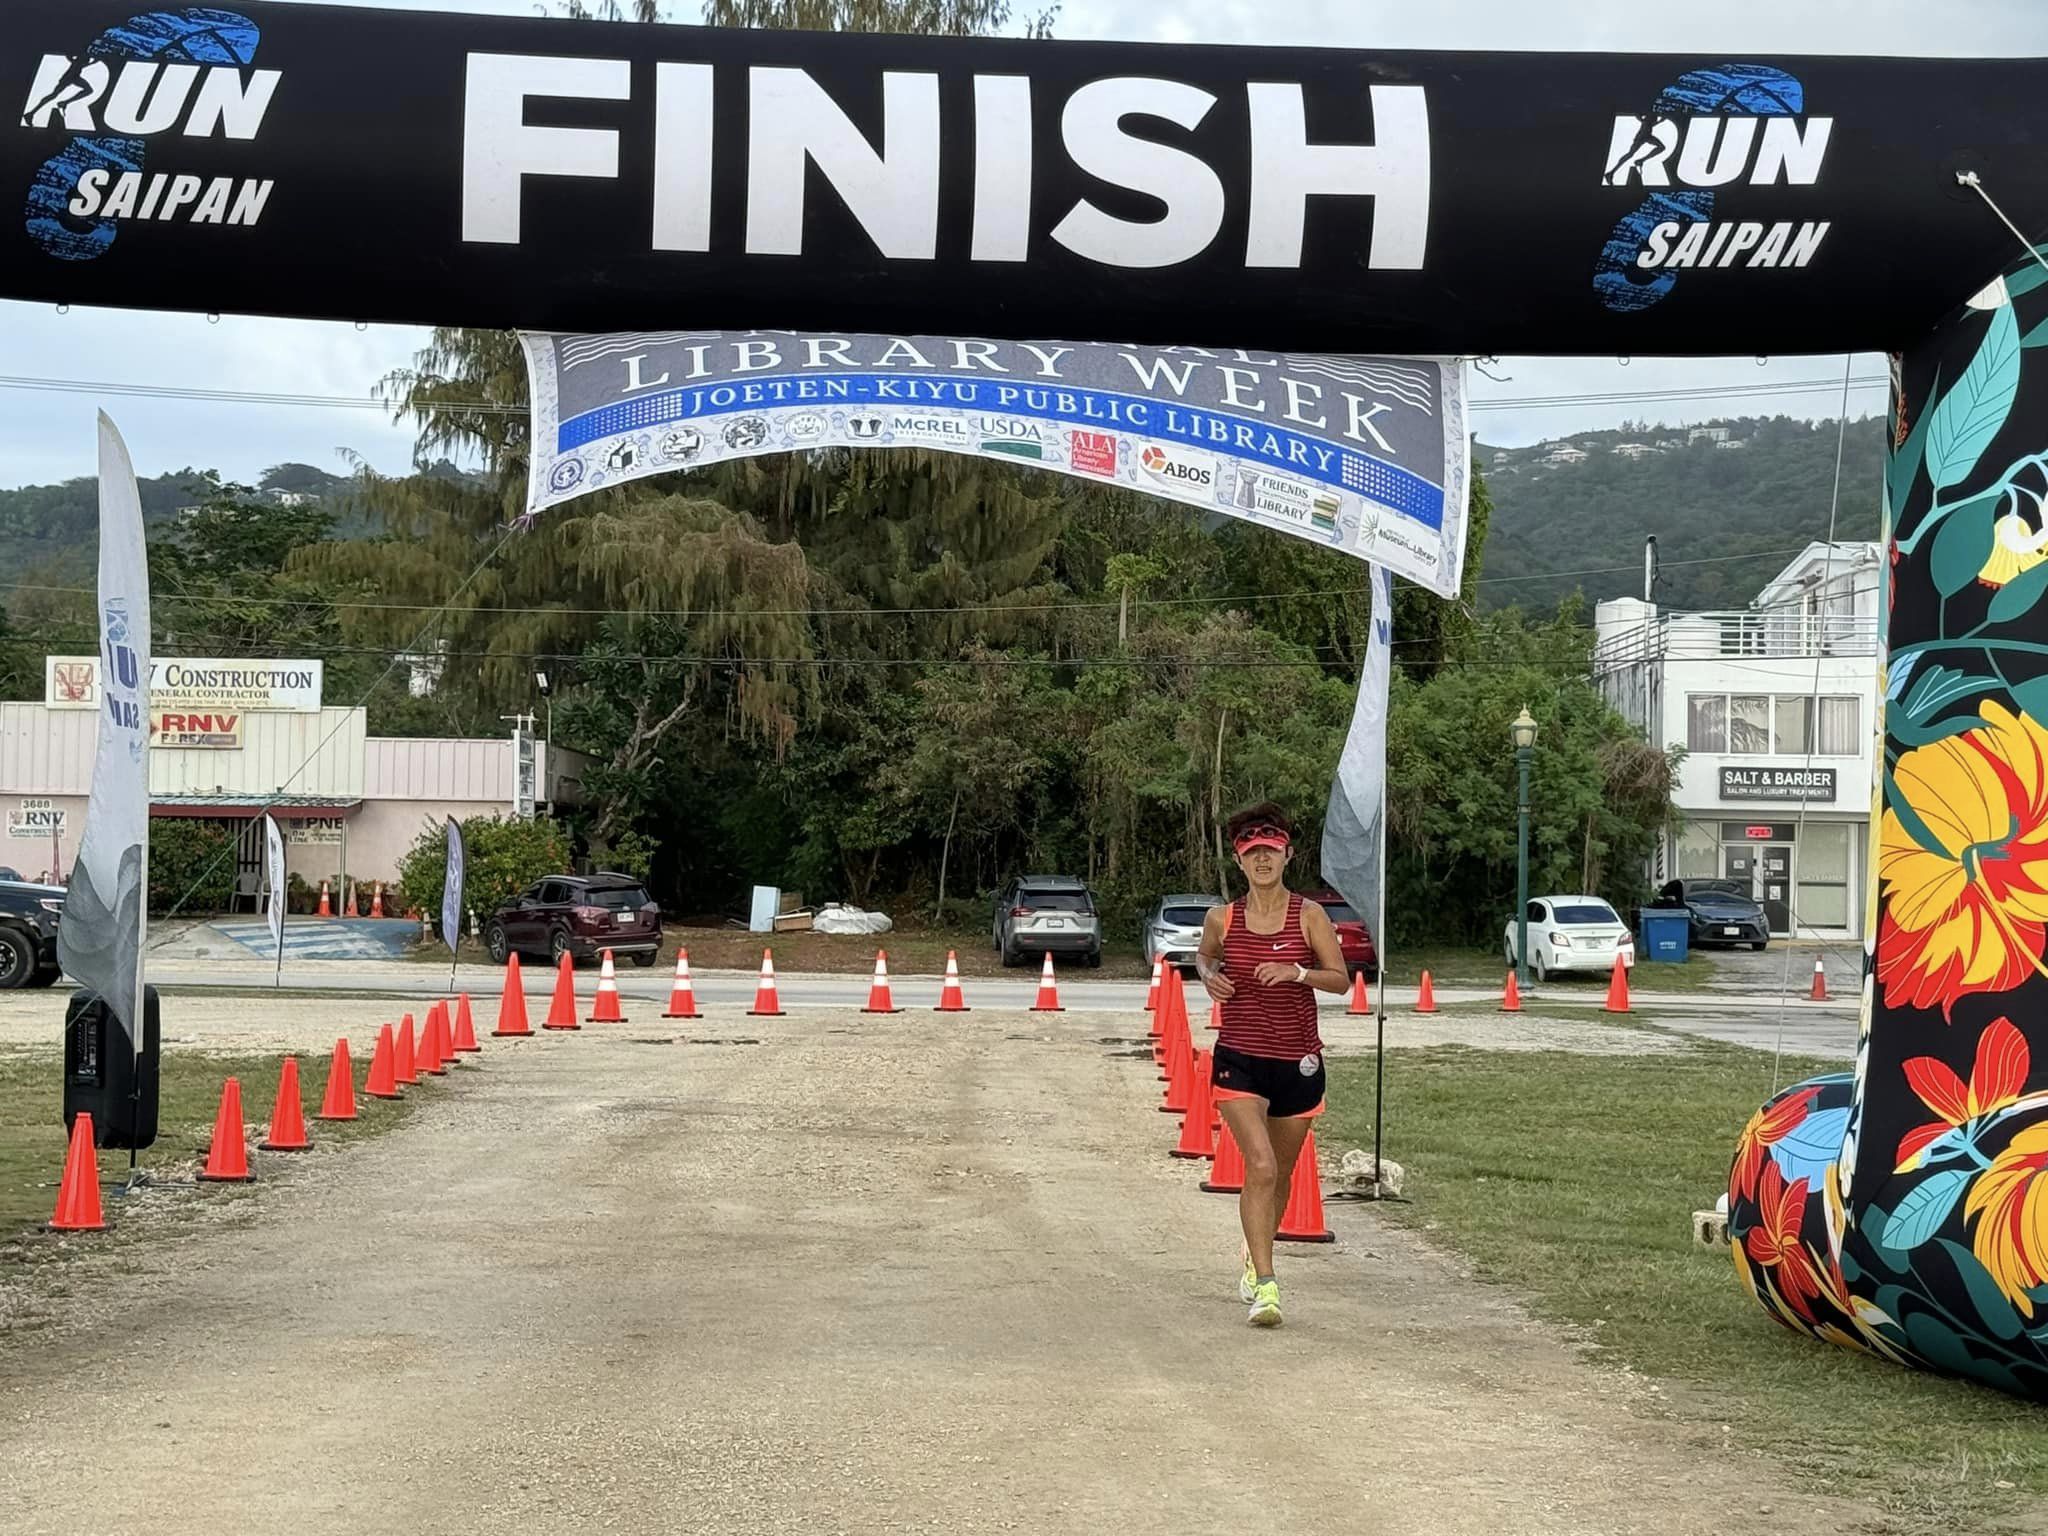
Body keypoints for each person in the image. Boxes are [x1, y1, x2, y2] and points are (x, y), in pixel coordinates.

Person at [1196, 803, 1352, 1326]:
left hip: (1298, 1060)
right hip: (1239, 1056)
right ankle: (1267, 1286)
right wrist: (1208, 975)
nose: (1262, 860)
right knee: (1259, 1165)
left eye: (1271, 851)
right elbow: (1207, 956)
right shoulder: (1224, 917)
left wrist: (1297, 973)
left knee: (1280, 1175)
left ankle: (1252, 1254)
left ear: (1287, 855)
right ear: (1240, 862)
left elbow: (1340, 979)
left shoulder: (1309, 915)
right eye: (1252, 853)